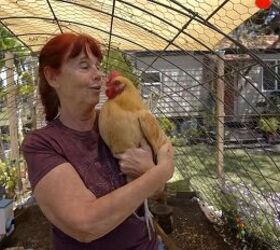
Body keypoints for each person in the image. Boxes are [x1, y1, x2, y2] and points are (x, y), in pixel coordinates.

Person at [21, 33, 174, 250]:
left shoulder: (118, 120)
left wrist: (152, 177)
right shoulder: (42, 145)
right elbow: (86, 224)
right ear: (53, 77)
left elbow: (157, 190)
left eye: (97, 66)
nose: (98, 75)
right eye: (84, 66)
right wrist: (161, 170)